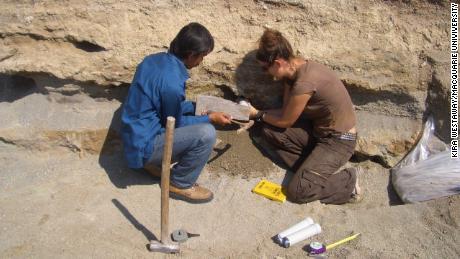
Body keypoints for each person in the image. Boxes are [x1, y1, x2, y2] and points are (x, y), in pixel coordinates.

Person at [121, 23, 232, 204]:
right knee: (206, 134)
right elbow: (173, 124)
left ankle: (153, 164)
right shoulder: (172, 83)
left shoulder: (153, 60)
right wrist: (210, 118)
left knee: (199, 120)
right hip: (144, 146)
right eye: (202, 57)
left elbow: (164, 105)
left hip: (134, 136)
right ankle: (180, 183)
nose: (201, 61)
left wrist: (197, 108)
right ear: (190, 55)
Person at [249, 29, 362, 204]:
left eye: (265, 68)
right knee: (267, 131)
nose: (266, 73)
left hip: (339, 141)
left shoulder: (304, 83)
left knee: (298, 192)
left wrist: (257, 114)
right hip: (319, 133)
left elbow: (287, 120)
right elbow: (285, 110)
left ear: (278, 63)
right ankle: (311, 172)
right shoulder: (293, 73)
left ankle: (347, 181)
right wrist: (256, 115)